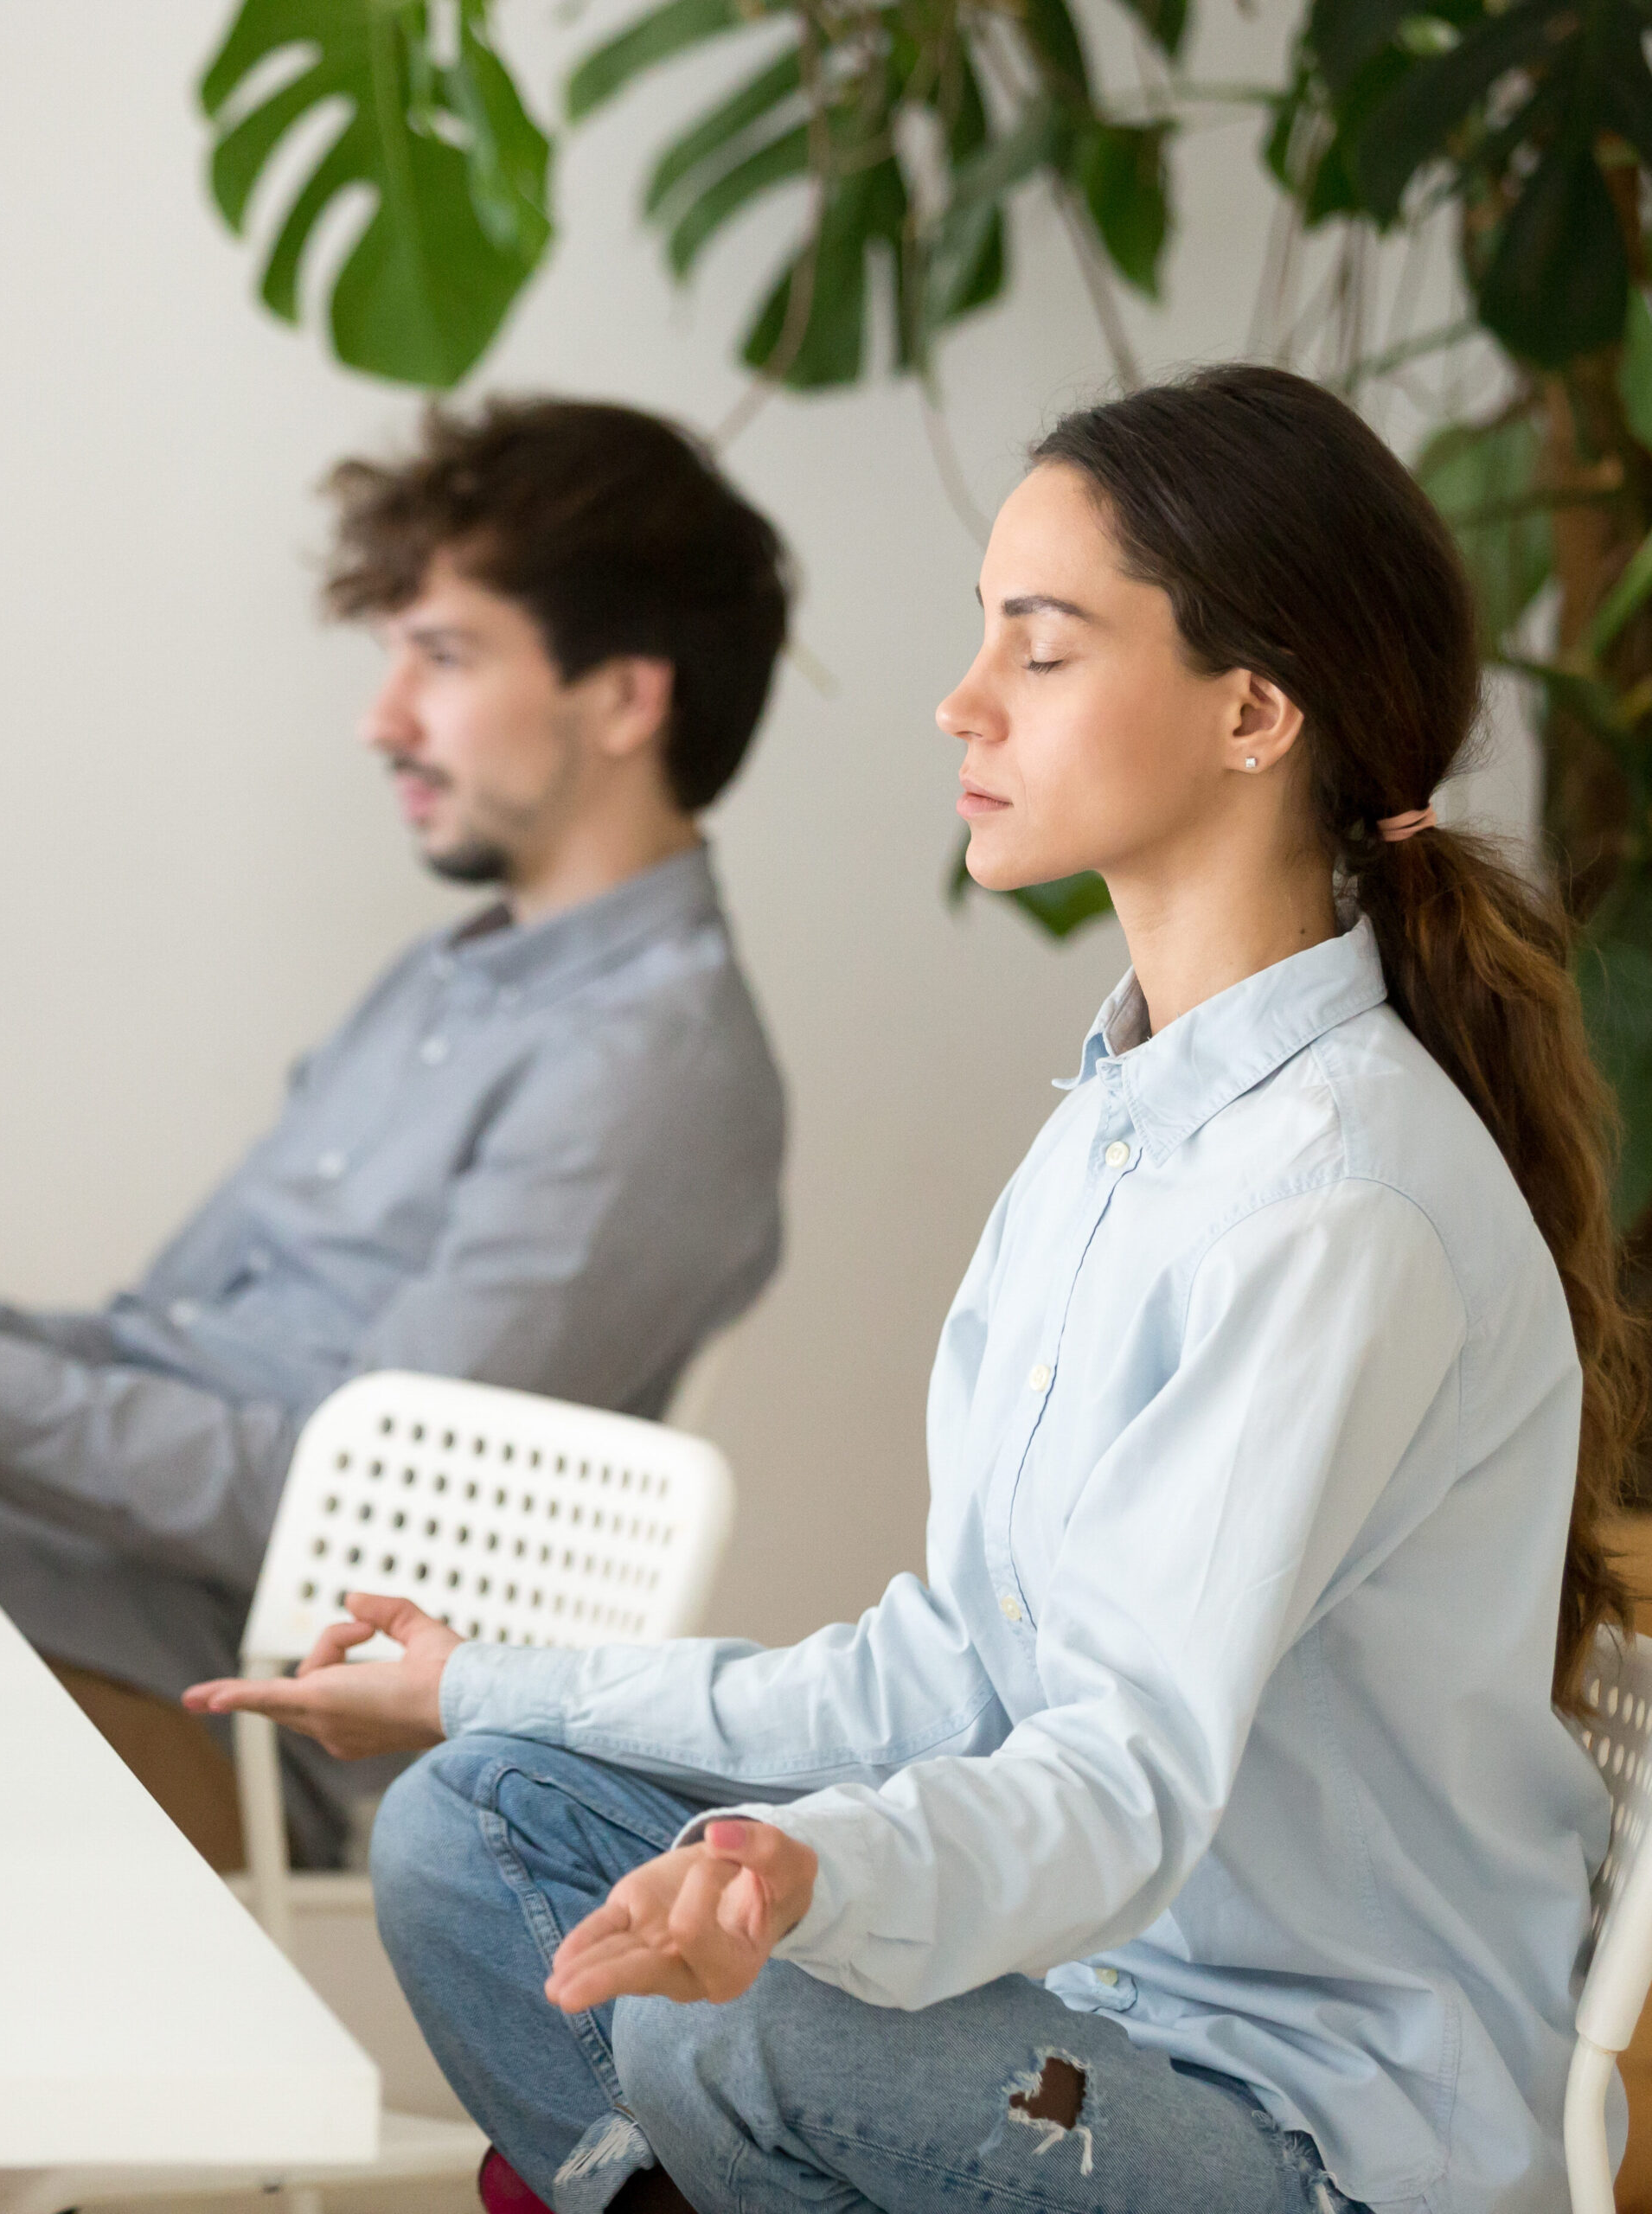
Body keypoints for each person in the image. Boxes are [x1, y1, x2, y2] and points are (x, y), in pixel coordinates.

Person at [185, 362, 1647, 2214]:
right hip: (1080, 2005)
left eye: (1037, 651)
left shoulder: (1333, 1202)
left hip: (1291, 2120)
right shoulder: (1123, 1120)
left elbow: (1118, 1778)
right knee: (473, 1818)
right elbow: (947, 1667)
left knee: (740, 2021)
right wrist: (477, 1676)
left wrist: (806, 1879)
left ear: (1251, 709)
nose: (959, 702)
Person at [0, 397, 793, 1869]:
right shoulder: (448, 983)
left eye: (443, 655)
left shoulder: (652, 1075)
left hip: (232, 1721)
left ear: (625, 701)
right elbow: (152, 1342)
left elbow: (365, 1533)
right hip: (75, 1592)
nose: (383, 720)